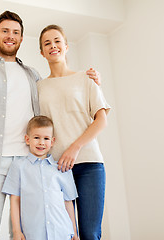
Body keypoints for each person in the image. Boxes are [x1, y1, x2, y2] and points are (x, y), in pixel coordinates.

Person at [0, 10, 101, 239]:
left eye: (16, 32)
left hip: (28, 163)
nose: (10, 36)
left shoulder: (33, 75)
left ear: (22, 39)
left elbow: (57, 94)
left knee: (24, 232)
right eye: (5, 31)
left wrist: (91, 80)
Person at [37, 25, 111, 240]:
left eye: (57, 41)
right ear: (41, 52)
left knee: (90, 234)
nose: (53, 46)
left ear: (66, 46)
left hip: (89, 165)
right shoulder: (39, 87)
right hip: (57, 169)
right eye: (47, 43)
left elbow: (101, 120)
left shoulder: (86, 78)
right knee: (65, 235)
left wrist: (74, 147)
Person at [2, 116, 79, 240]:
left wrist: (75, 232)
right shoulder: (18, 166)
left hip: (62, 232)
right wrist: (16, 231)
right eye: (36, 137)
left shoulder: (61, 168)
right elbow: (15, 200)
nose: (41, 142)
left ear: (52, 141)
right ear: (27, 139)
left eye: (46, 138)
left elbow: (68, 202)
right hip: (33, 233)